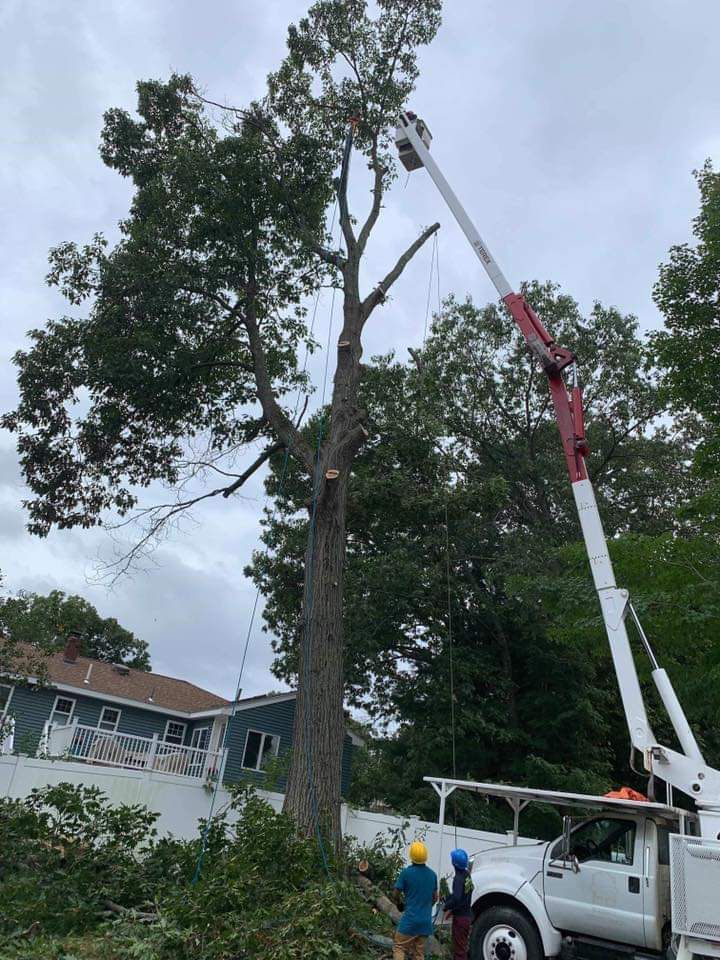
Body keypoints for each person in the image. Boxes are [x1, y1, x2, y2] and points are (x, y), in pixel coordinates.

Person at [392, 841, 438, 959]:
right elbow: (435, 898)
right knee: (419, 953)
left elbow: (395, 893)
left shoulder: (406, 873)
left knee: (399, 947)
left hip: (410, 921)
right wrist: (426, 907)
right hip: (425, 923)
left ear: (411, 856)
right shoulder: (432, 875)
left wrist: (399, 904)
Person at [441, 848, 473, 960]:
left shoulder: (458, 879)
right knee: (462, 947)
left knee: (459, 950)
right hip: (466, 915)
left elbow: (457, 898)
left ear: (454, 863)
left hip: (460, 919)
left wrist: (446, 906)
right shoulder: (467, 875)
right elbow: (464, 895)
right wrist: (452, 908)